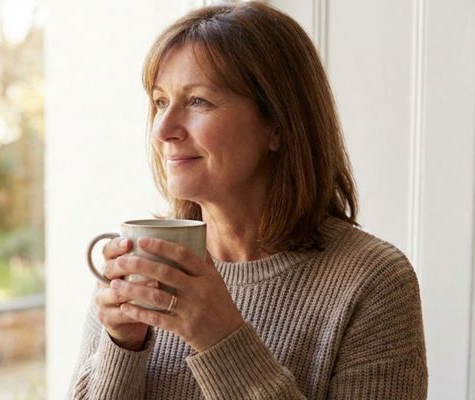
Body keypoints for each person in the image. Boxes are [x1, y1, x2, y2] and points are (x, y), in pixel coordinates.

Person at [69, 2, 428, 399]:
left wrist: (221, 338)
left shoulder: (373, 282)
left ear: (278, 123)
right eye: (159, 102)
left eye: (198, 101)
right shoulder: (144, 260)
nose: (163, 130)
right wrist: (122, 347)